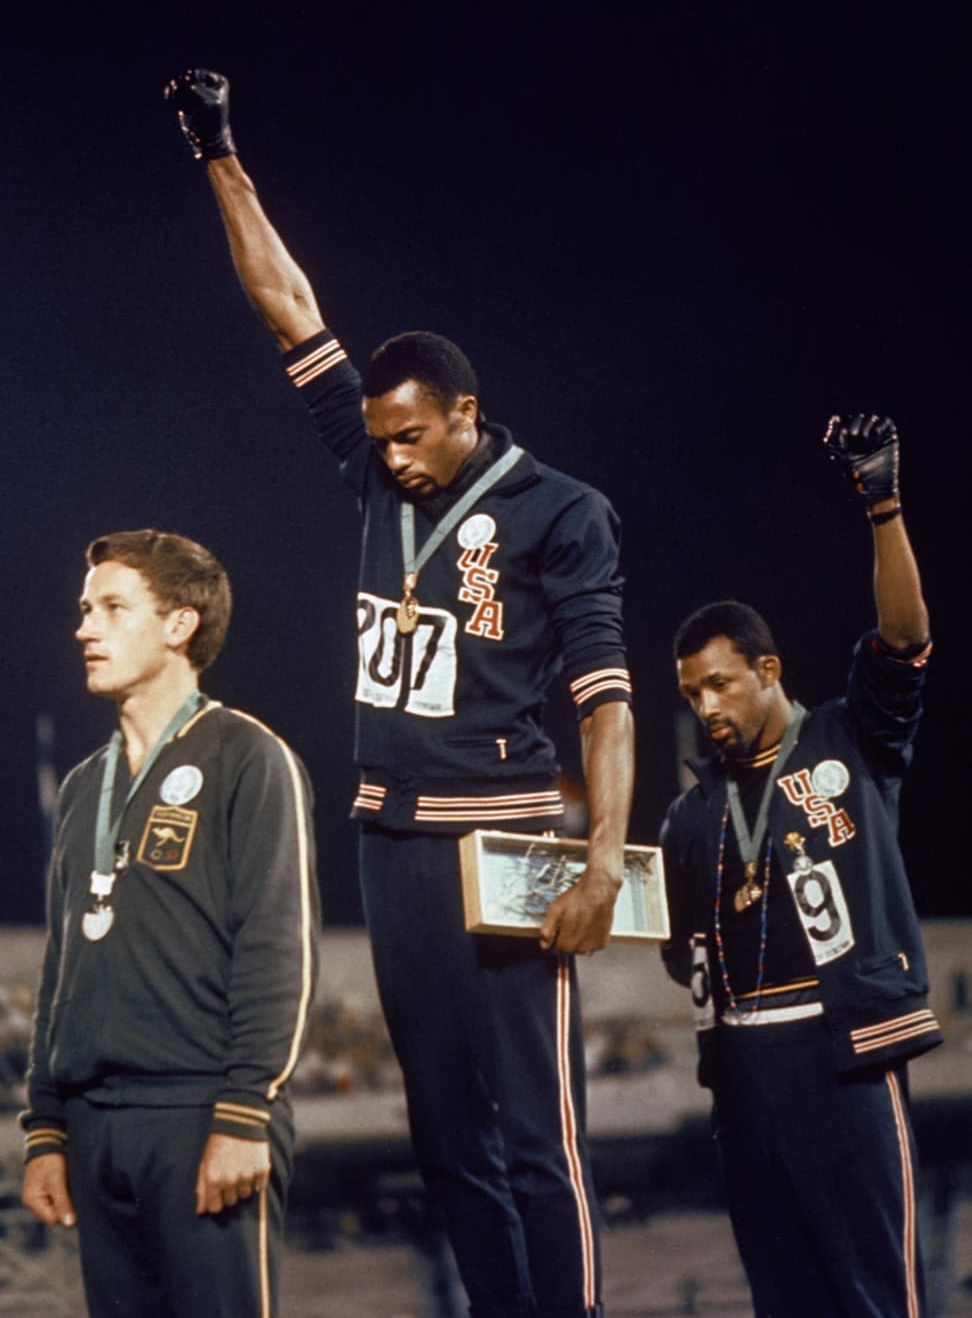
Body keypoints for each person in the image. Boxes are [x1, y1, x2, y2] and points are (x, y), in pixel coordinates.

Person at [164, 68, 635, 1318]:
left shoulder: (563, 511)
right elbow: (289, 308)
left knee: (538, 1131)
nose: (389, 455)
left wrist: (598, 859)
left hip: (508, 831)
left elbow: (607, 700)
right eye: (377, 437)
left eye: (413, 435)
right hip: (390, 834)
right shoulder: (374, 471)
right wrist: (220, 151)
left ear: (468, 413)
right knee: (445, 1138)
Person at [660, 413, 941, 1318]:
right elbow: (668, 943)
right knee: (783, 1298)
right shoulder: (691, 812)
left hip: (840, 1057)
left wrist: (883, 505)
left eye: (719, 683)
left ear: (768, 669)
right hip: (741, 1075)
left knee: (871, 1295)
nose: (706, 706)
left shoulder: (845, 740)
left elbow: (902, 642)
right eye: (691, 694)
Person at [21, 529, 320, 1318]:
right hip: (92, 1128)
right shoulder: (86, 785)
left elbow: (277, 949)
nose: (85, 629)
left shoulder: (250, 758)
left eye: (113, 609)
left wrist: (245, 1110)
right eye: (85, 610)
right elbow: (62, 965)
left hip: (201, 1117)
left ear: (179, 626)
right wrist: (47, 1126)